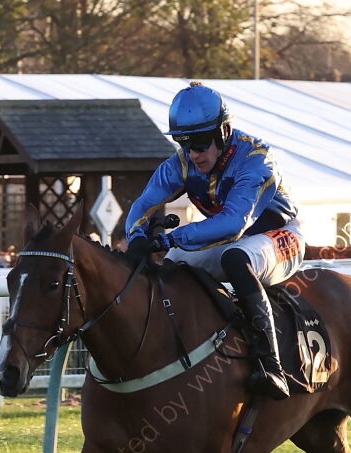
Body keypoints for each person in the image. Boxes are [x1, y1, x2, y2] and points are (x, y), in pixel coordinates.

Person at [124, 82, 303, 400]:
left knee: (235, 259)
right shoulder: (182, 162)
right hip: (230, 238)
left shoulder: (255, 158)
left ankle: (271, 366)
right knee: (171, 267)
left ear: (224, 131)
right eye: (184, 144)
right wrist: (136, 235)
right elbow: (143, 203)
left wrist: (169, 239)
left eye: (201, 143)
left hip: (278, 235)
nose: (193, 154)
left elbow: (234, 224)